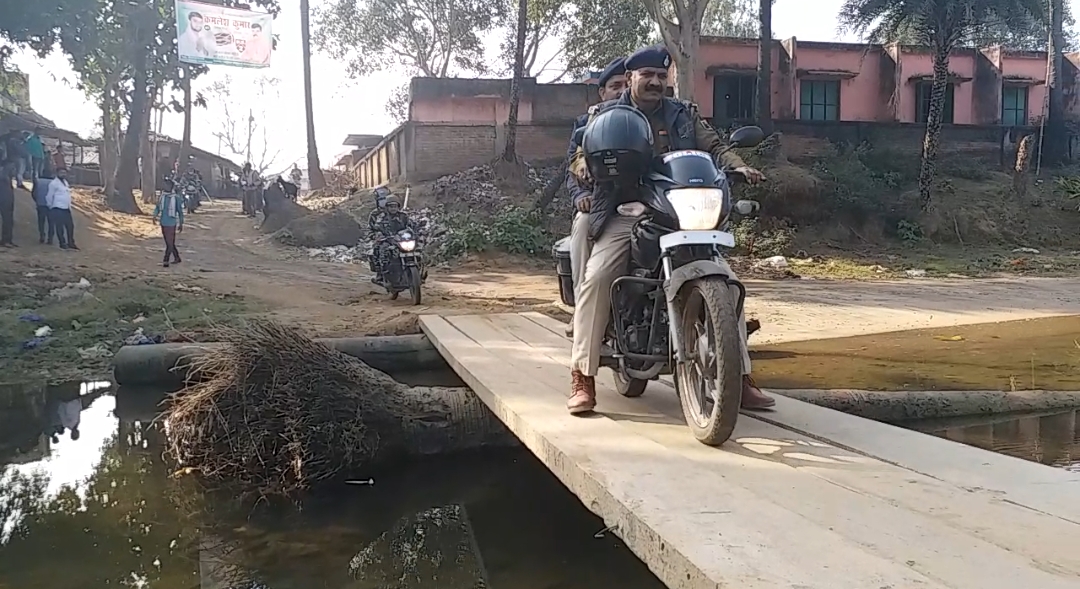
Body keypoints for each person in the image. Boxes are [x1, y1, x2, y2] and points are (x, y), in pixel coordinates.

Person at [565, 44, 772, 415]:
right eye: (648, 76)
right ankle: (583, 374)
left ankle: (738, 376)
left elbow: (715, 147)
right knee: (597, 279)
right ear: (630, 78)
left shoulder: (682, 114)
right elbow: (582, 152)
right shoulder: (607, 114)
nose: (656, 82)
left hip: (678, 211)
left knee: (727, 281)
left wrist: (737, 166)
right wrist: (587, 167)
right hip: (625, 210)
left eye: (662, 76)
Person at [563, 56, 628, 337]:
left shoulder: (650, 116)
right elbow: (573, 166)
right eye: (615, 86)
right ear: (602, 92)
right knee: (583, 226)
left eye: (627, 84)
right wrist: (580, 195)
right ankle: (582, 309)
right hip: (599, 202)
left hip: (645, 200)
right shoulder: (588, 122)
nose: (622, 91)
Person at [369, 193, 413, 283]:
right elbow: (371, 229)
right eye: (391, 206)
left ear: (398, 207)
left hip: (402, 240)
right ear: (386, 207)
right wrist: (377, 235)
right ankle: (380, 274)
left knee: (418, 249)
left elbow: (411, 227)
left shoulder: (403, 216)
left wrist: (418, 232)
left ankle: (419, 271)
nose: (393, 208)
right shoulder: (379, 217)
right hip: (386, 240)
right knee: (381, 250)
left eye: (395, 206)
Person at [152, 179, 185, 267]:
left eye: (167, 185)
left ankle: (166, 260)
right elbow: (157, 208)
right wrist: (154, 216)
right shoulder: (162, 197)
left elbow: (180, 212)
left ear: (171, 187)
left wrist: (181, 223)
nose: (165, 187)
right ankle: (177, 257)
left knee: (169, 243)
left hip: (172, 223)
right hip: (163, 222)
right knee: (169, 242)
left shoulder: (176, 198)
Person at [46, 167, 77, 250]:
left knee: (70, 226)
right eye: (61, 172)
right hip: (57, 207)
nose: (63, 174)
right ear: (57, 173)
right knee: (60, 227)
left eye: (64, 173)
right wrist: (51, 206)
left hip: (66, 207)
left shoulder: (65, 183)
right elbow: (49, 196)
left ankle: (71, 243)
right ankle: (62, 243)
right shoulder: (53, 183)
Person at [32, 168, 55, 244]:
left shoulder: (38, 181)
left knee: (41, 221)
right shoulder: (54, 182)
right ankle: (50, 238)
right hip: (51, 205)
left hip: (40, 204)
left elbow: (34, 193)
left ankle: (42, 235)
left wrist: (37, 200)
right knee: (51, 222)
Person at [0, 160, 15, 247]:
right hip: (4, 200)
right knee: (7, 220)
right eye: (12, 168)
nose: (14, 171)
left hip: (8, 200)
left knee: (9, 220)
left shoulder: (7, 178)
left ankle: (7, 239)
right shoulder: (3, 177)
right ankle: (6, 240)